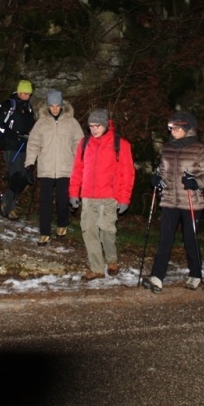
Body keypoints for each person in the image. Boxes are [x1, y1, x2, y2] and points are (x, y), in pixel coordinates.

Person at [142, 111, 204, 294]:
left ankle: (195, 274)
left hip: (190, 201)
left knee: (190, 239)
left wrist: (196, 182)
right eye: (170, 127)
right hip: (169, 201)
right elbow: (162, 170)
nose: (171, 130)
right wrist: (157, 179)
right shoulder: (167, 148)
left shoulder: (200, 149)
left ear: (187, 128)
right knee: (165, 239)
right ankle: (157, 276)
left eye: (175, 127)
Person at [69, 108, 135, 280]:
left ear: (106, 125)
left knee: (107, 231)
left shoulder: (120, 144)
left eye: (97, 126)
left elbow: (127, 173)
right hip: (88, 196)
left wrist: (124, 198)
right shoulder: (84, 143)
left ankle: (112, 259)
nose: (93, 129)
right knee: (89, 231)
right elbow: (77, 169)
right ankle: (97, 268)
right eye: (91, 126)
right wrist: (74, 193)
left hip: (109, 197)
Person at [24, 90, 84, 245]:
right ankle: (44, 232)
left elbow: (79, 144)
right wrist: (30, 164)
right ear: (48, 106)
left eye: (58, 106)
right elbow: (33, 144)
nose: (55, 109)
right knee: (45, 201)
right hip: (46, 167)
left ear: (62, 105)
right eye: (52, 106)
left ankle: (62, 223)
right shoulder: (41, 123)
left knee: (63, 199)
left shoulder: (72, 123)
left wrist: (80, 164)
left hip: (66, 167)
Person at [0, 79, 35, 220]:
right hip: (11, 145)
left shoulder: (29, 108)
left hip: (24, 146)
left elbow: (31, 127)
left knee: (25, 177)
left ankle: (6, 198)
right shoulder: (9, 105)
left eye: (29, 94)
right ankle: (9, 207)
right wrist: (14, 135)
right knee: (15, 174)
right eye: (24, 93)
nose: (26, 96)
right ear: (18, 92)